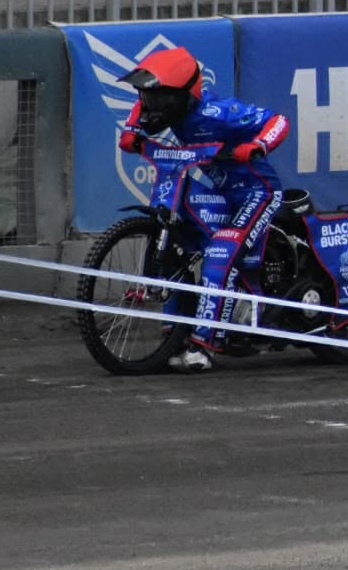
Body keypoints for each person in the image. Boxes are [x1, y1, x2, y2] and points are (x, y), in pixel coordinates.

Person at [117, 46, 291, 373]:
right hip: (219, 190)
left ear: (180, 97)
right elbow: (139, 110)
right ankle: (176, 333)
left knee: (221, 253)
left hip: (257, 191)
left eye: (158, 99)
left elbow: (278, 121)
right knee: (182, 239)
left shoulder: (220, 113)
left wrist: (258, 145)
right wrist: (132, 133)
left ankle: (203, 348)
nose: (149, 106)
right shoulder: (163, 105)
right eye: (147, 98)